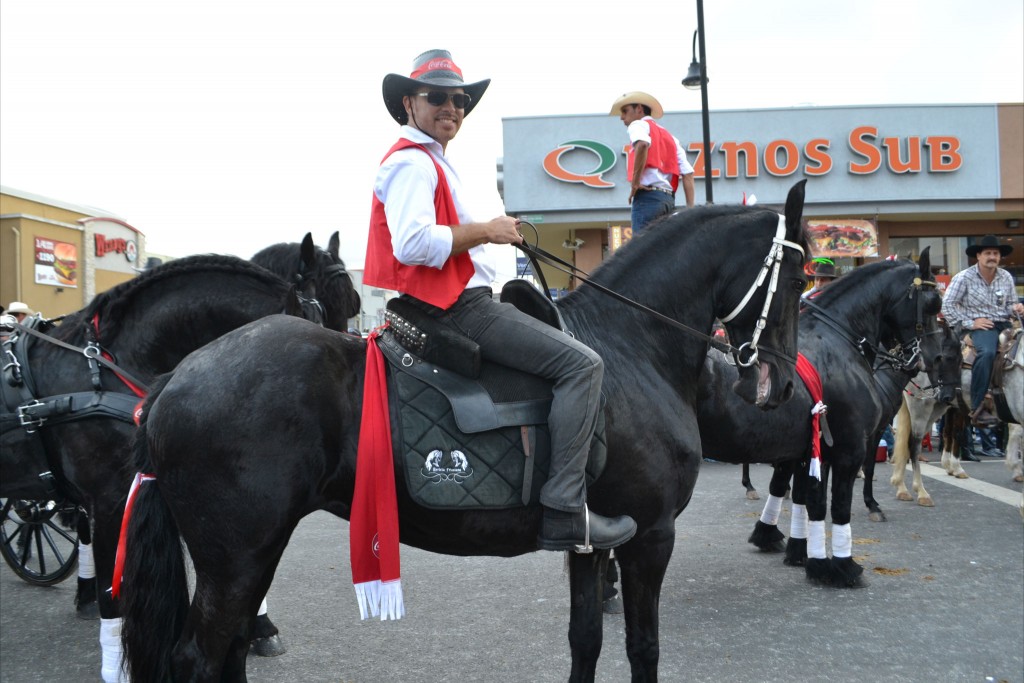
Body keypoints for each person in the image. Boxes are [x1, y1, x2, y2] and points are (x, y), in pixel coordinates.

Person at [365, 49, 636, 552]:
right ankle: (563, 510)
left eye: (459, 99)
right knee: (583, 366)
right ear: (409, 103)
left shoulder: (434, 162)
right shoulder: (410, 164)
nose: (451, 107)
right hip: (461, 310)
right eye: (437, 97)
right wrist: (487, 231)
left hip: (462, 302)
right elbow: (413, 243)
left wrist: (494, 234)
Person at [941, 235, 1024, 428]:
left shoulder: (1005, 277)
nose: (992, 257)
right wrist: (971, 322)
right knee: (986, 353)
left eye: (995, 253)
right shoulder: (964, 277)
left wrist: (1017, 308)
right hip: (979, 327)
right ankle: (979, 406)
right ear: (978, 256)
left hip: (1004, 323)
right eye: (987, 253)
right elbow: (947, 306)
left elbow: (1011, 303)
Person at [610, 91, 695, 235]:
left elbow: (642, 144)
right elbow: (688, 174)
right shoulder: (671, 138)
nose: (622, 117)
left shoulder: (638, 125)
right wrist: (690, 211)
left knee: (641, 251)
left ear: (639, 109)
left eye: (625, 111)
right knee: (661, 251)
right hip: (668, 200)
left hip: (648, 198)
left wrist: (635, 183)